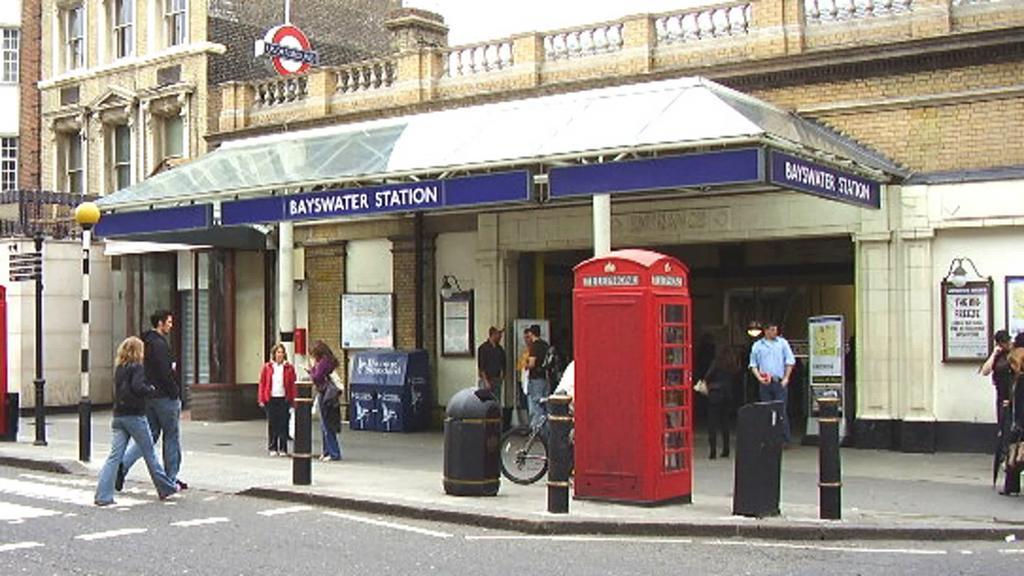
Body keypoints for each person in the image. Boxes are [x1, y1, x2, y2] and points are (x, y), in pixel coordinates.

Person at [95, 337, 178, 506]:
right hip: (135, 417)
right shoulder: (138, 367)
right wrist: (150, 389)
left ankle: (103, 495)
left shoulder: (119, 368)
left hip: (118, 416)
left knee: (114, 456)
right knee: (150, 454)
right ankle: (166, 488)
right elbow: (138, 387)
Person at [117, 310, 187, 492]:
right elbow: (165, 372)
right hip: (165, 397)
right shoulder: (160, 345)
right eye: (169, 322)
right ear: (160, 323)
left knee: (150, 436)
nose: (171, 326)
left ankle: (122, 466)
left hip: (149, 398)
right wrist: (175, 392)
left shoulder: (144, 343)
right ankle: (170, 479)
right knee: (171, 437)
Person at [749, 321, 796, 444]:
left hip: (779, 381)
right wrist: (759, 378)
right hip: (765, 382)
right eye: (772, 330)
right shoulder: (758, 346)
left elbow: (790, 361)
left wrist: (786, 378)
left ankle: (784, 438)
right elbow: (753, 365)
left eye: (776, 329)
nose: (775, 332)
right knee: (766, 411)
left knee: (781, 410)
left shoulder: (782, 343)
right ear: (766, 331)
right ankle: (768, 437)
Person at [258, 343, 298, 456]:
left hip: (284, 398)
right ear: (274, 354)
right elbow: (263, 383)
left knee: (283, 423)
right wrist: (261, 398)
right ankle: (273, 447)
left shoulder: (289, 368)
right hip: (271, 398)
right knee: (272, 423)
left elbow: (292, 385)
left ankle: (283, 448)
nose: (280, 354)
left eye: (282, 352)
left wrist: (294, 400)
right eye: (278, 352)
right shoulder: (267, 367)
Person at [308, 340, 342, 461]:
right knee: (326, 424)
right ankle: (327, 452)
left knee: (326, 425)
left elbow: (316, 377)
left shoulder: (323, 362)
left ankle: (333, 453)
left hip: (324, 394)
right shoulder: (329, 361)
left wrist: (311, 369)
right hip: (329, 394)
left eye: (312, 353)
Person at [704, 347, 738, 459]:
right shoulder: (732, 364)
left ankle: (713, 451)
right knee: (725, 423)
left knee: (712, 424)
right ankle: (726, 449)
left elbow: (707, 376)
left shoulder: (716, 363)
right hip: (728, 395)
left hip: (715, 395)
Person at [980, 330, 1013, 433]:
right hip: (1001, 393)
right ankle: (1004, 445)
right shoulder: (998, 356)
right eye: (1003, 342)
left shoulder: (1015, 354)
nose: (1006, 344)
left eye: (1007, 341)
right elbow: (985, 371)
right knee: (1003, 423)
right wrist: (994, 354)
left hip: (1013, 393)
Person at [1002, 342, 1024, 495]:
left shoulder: (1021, 380)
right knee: (1013, 453)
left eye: (1013, 364)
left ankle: (1011, 486)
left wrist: (1019, 424)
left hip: (1021, 422)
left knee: (1016, 454)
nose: (1011, 367)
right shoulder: (1017, 379)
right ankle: (1011, 486)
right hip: (1018, 421)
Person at [523, 324, 550, 430]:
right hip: (545, 377)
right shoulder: (545, 345)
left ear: (531, 333)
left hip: (535, 378)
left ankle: (537, 430)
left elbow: (532, 364)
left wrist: (526, 365)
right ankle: (546, 428)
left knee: (536, 404)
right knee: (544, 404)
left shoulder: (534, 346)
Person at [477, 326, 505, 399]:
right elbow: (481, 366)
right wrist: (485, 381)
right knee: (485, 400)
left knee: (496, 400)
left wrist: (502, 375)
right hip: (487, 378)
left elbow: (502, 363)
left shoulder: (500, 349)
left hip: (496, 378)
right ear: (493, 335)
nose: (500, 338)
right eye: (499, 335)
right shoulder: (483, 348)